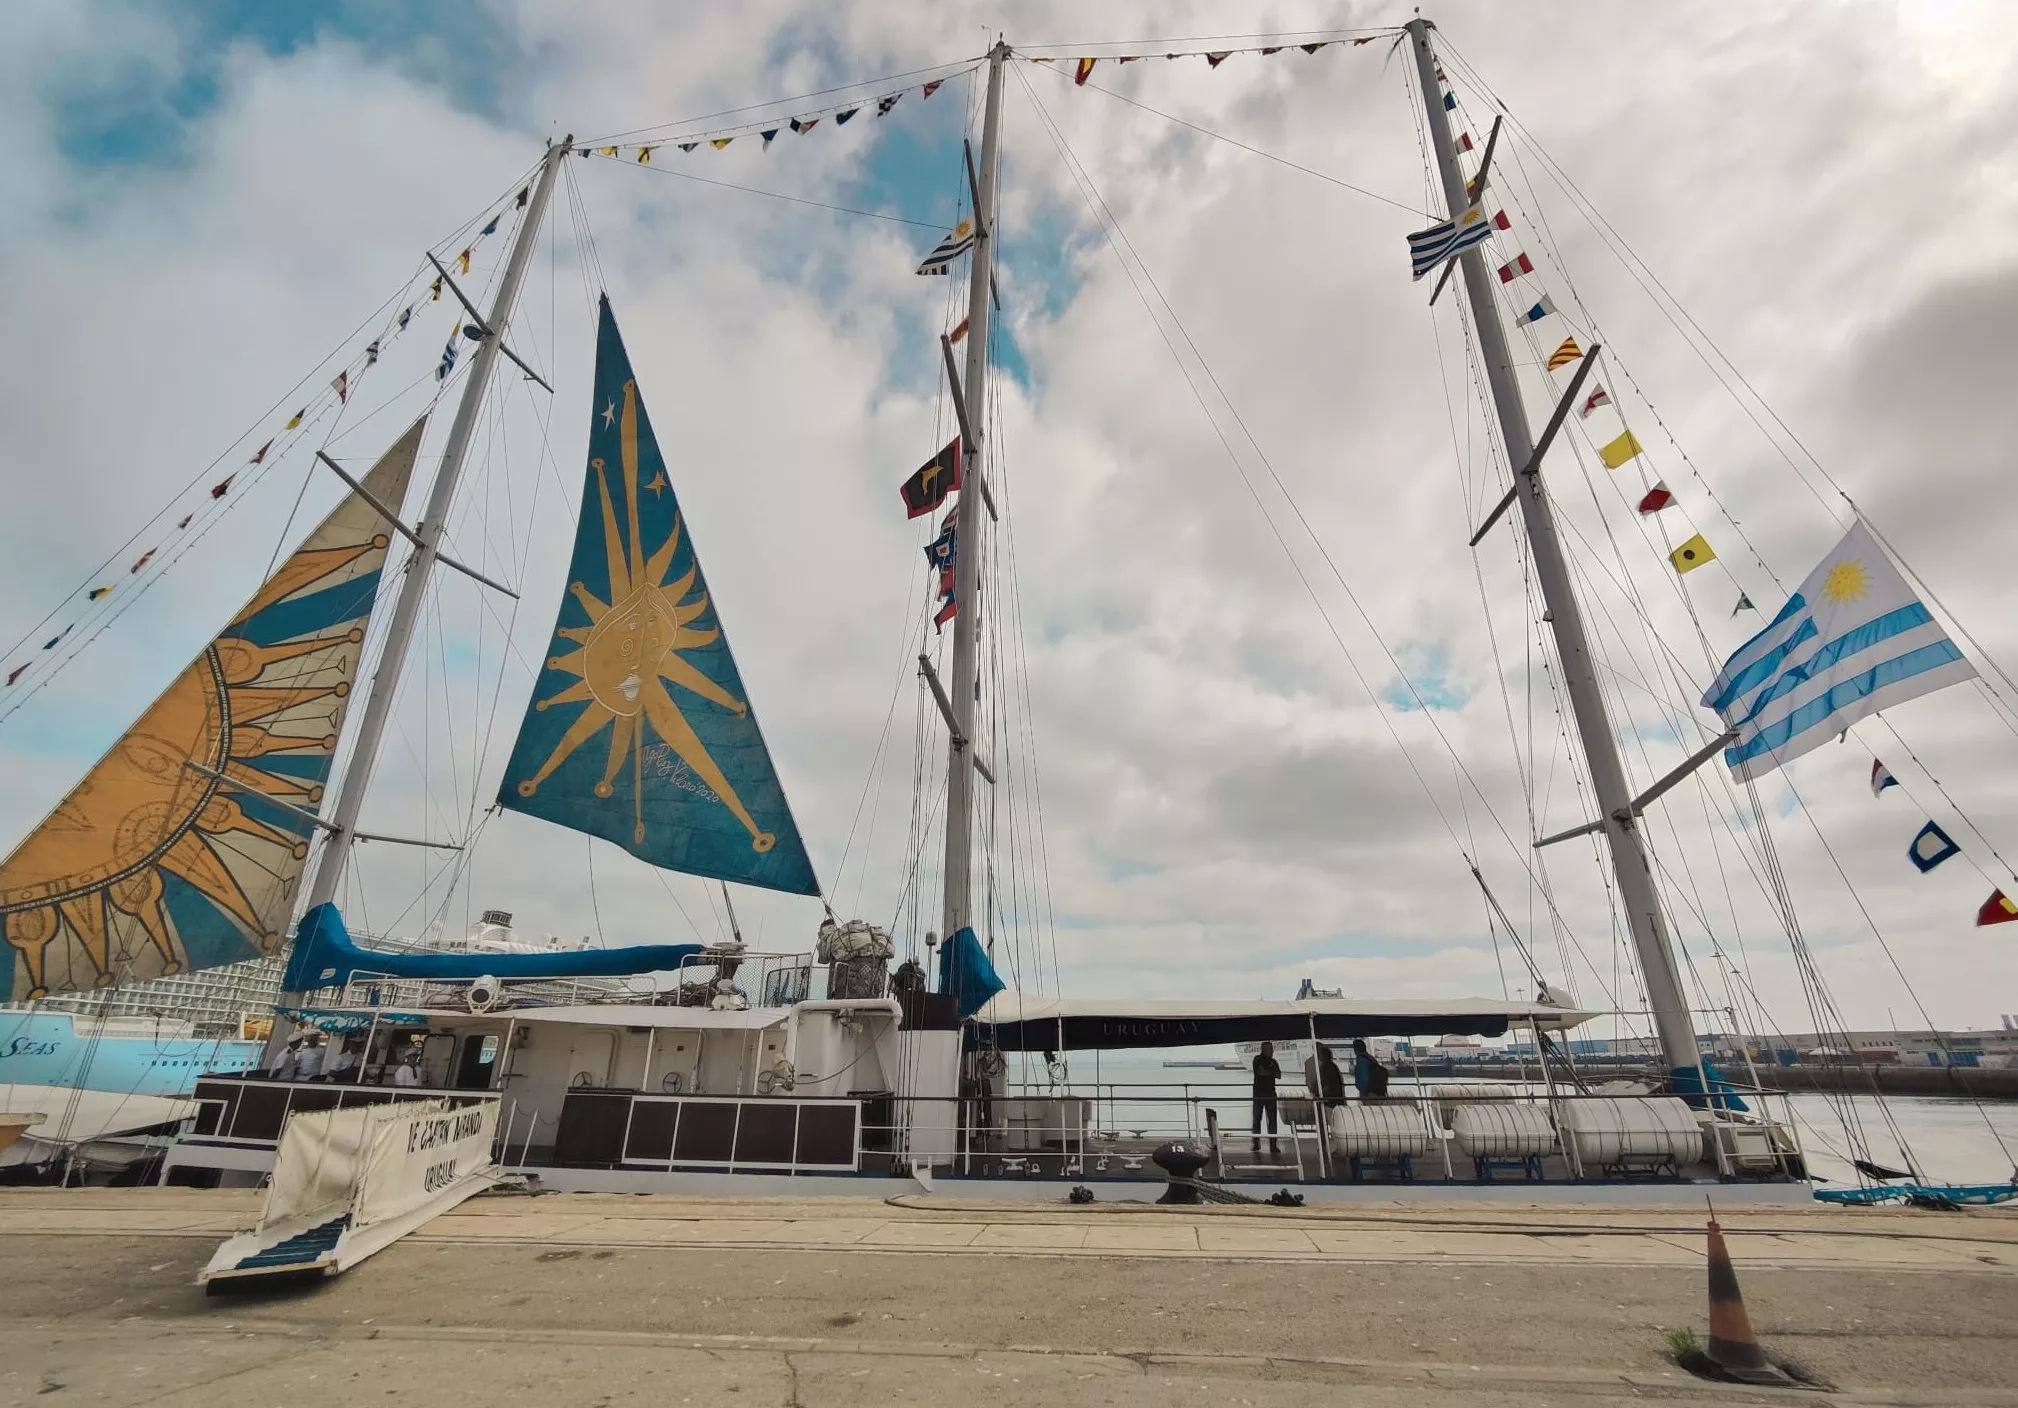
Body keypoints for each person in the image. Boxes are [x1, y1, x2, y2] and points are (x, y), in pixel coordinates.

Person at [1250, 1041, 1281, 1157]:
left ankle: (1273, 1145)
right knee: (1257, 1119)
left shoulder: (1274, 1062)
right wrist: (1271, 1072)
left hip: (1270, 1094)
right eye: (1269, 1049)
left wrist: (1268, 1072)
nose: (1271, 1051)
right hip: (1259, 1094)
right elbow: (1260, 1072)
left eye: (1271, 1049)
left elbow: (1279, 1075)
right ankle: (1256, 1143)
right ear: (1263, 1049)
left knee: (1272, 1120)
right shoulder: (1257, 1059)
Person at [1314, 1044, 1346, 1110]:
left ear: (1323, 1056)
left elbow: (1325, 1084)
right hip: (1337, 1099)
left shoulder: (1325, 1067)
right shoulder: (1333, 1066)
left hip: (1330, 1101)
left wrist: (1319, 1095)